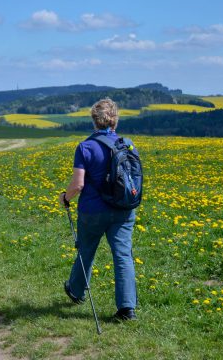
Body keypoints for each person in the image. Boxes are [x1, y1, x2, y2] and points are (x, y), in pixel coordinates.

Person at [59, 98, 139, 321]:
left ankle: (76, 290)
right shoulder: (128, 144)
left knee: (86, 249)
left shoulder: (85, 147)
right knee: (123, 255)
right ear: (115, 120)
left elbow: (78, 185)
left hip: (92, 211)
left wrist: (65, 197)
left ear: (94, 121)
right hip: (123, 209)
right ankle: (127, 309)